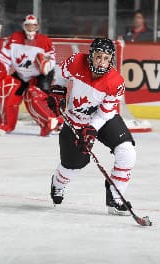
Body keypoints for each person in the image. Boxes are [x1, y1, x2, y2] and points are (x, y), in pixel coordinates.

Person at [47, 38, 136, 216]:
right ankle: (58, 183)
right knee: (73, 165)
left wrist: (93, 128)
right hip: (76, 120)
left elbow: (104, 113)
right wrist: (58, 89)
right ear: (91, 55)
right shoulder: (76, 61)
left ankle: (115, 199)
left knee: (127, 151)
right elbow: (61, 74)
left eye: (106, 58)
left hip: (103, 119)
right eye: (98, 57)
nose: (101, 62)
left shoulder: (116, 82)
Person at [0, 14, 62, 136]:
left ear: (37, 27)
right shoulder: (15, 38)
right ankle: (4, 124)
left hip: (39, 76)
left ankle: (52, 123)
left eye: (33, 26)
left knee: (33, 96)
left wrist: (46, 64)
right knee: (5, 87)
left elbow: (51, 60)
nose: (30, 28)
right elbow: (4, 59)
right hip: (21, 74)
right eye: (28, 25)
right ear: (24, 26)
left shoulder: (45, 41)